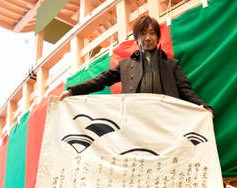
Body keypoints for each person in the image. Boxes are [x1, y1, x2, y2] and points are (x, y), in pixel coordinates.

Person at [60, 16, 212, 115]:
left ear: (158, 37)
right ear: (136, 39)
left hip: (167, 116)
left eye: (152, 33)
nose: (147, 38)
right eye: (142, 34)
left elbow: (186, 90)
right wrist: (73, 91)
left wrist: (203, 106)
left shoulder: (172, 65)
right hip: (133, 117)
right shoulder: (125, 64)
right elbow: (101, 80)